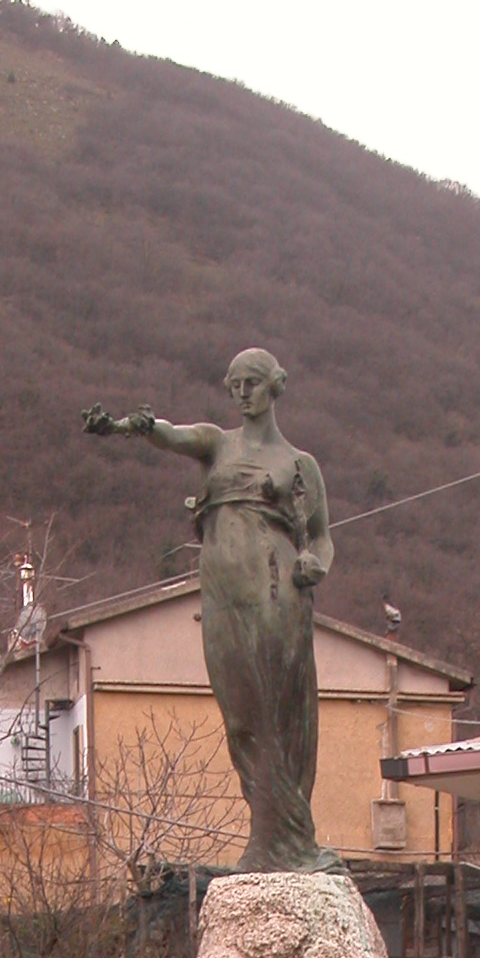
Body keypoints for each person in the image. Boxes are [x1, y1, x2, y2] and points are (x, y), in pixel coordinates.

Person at [83, 349, 341, 873]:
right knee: (240, 715)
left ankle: (283, 841)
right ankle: (272, 835)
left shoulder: (299, 465)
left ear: (274, 387)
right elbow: (171, 434)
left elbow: (321, 537)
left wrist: (316, 562)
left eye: (251, 383)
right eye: (234, 385)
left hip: (276, 590)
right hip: (223, 592)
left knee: (275, 709)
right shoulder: (216, 444)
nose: (242, 393)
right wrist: (131, 427)